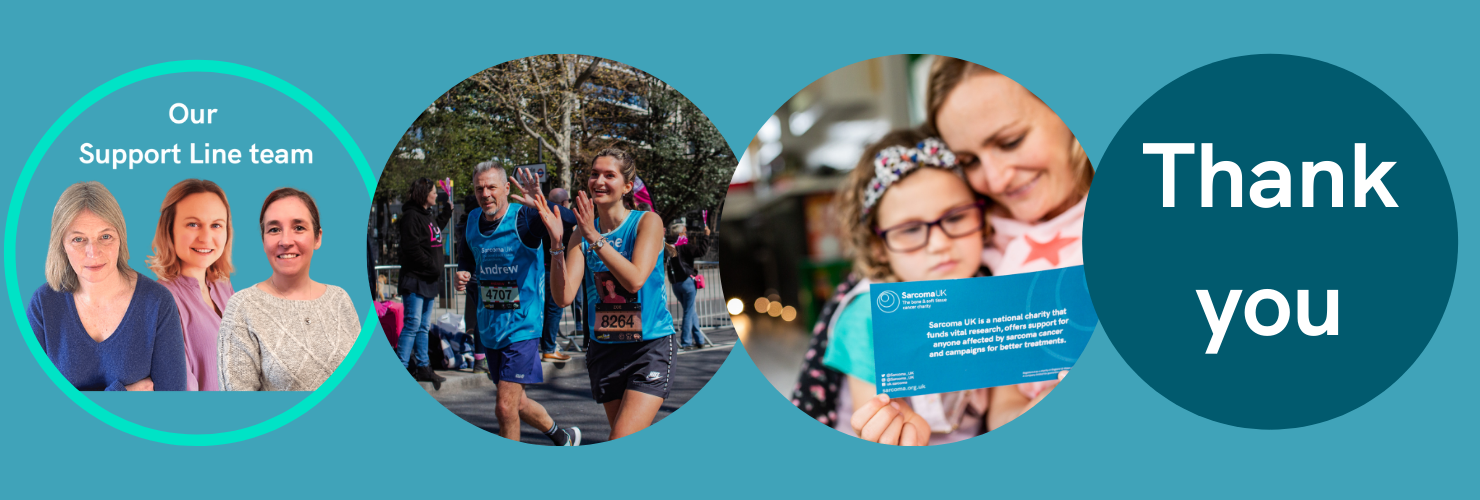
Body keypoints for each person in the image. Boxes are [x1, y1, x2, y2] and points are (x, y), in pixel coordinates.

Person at [925, 56, 1091, 428]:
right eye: (968, 161)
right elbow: (1005, 403)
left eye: (1010, 141)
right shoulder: (976, 254)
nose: (996, 181)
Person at [805, 131, 1000, 446]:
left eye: (956, 217)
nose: (940, 244)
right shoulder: (869, 316)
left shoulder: (996, 295)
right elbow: (876, 433)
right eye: (910, 229)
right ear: (878, 245)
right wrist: (894, 426)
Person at [537, 148, 676, 441]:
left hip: (648, 347)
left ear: (627, 186)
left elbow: (635, 279)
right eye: (594, 174)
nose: (598, 180)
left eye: (609, 175)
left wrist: (594, 238)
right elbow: (563, 297)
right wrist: (557, 243)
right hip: (605, 350)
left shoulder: (647, 222)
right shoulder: (580, 233)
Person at [454, 162, 580, 446]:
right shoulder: (472, 219)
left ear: (506, 189)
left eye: (491, 187)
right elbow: (467, 257)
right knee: (518, 402)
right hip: (490, 328)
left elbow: (572, 221)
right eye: (479, 188)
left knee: (504, 407)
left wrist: (542, 201)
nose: (485, 194)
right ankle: (564, 437)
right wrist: (462, 273)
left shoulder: (525, 217)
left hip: (522, 326)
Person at [27, 181, 186, 391]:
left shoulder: (158, 303)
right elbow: (32, 408)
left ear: (121, 238)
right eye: (78, 239)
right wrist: (120, 395)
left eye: (105, 237)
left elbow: (172, 409)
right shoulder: (43, 305)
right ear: (61, 245)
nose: (93, 252)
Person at [217, 188, 360, 391]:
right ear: (263, 240)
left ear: (317, 238)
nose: (285, 241)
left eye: (299, 227)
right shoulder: (243, 308)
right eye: (274, 230)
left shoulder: (340, 300)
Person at [147, 179, 236, 391]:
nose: (206, 238)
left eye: (216, 225)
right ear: (170, 230)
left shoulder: (224, 287)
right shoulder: (161, 301)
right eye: (193, 224)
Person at [395, 178, 451, 387]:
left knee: (423, 326)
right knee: (413, 324)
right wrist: (431, 265)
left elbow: (436, 231)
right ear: (423, 193)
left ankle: (423, 366)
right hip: (415, 280)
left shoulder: (427, 216)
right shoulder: (411, 217)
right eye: (434, 192)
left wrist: (447, 211)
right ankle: (402, 365)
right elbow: (412, 249)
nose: (436, 195)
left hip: (428, 280)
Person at [539, 187, 576, 361]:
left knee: (544, 309)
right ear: (563, 203)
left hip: (541, 269)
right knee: (554, 309)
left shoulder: (540, 216)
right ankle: (549, 347)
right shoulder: (563, 220)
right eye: (567, 201)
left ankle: (545, 345)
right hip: (554, 269)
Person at [666, 222, 712, 349]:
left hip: (675, 284)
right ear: (681, 233)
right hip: (687, 282)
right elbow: (701, 251)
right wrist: (706, 236)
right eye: (685, 232)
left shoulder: (669, 246)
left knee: (691, 311)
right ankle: (686, 341)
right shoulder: (683, 246)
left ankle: (699, 340)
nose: (686, 234)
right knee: (688, 312)